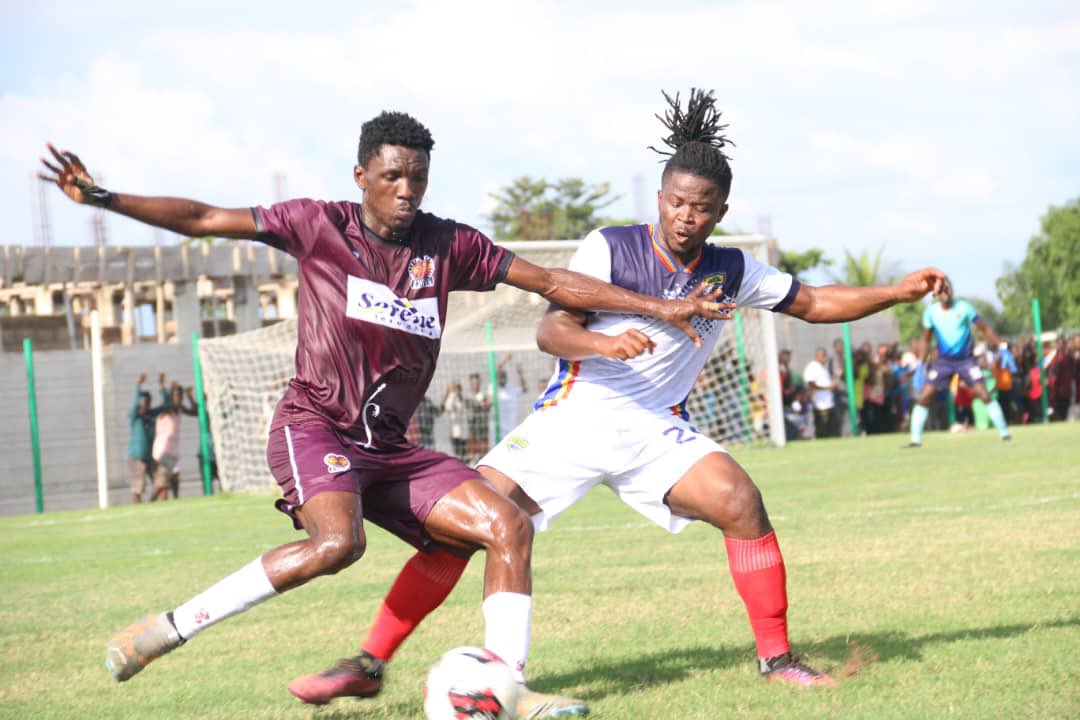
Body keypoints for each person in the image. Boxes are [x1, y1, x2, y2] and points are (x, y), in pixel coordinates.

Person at [39, 111, 729, 716]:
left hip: (393, 446)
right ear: (362, 174)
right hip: (316, 426)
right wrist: (102, 197)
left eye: (418, 179)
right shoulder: (316, 223)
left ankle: (504, 688)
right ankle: (167, 628)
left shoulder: (448, 245)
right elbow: (202, 220)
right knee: (338, 545)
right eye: (394, 176)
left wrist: (657, 306)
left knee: (507, 524)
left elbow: (549, 281)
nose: (407, 192)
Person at [346, 89, 947, 697]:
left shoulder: (732, 271)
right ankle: (368, 663)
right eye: (678, 202)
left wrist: (896, 292)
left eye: (701, 207)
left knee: (740, 500)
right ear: (660, 198)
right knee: (465, 526)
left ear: (720, 211)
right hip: (571, 422)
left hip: (656, 428)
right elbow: (554, 330)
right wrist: (604, 346)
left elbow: (814, 302)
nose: (686, 215)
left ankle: (778, 660)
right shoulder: (611, 247)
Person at [907, 278, 1011, 446]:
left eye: (948, 288)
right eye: (942, 289)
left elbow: (985, 328)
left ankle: (1005, 433)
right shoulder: (931, 312)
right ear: (937, 293)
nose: (946, 292)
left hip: (966, 360)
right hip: (943, 362)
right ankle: (915, 440)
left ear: (952, 291)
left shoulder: (964, 308)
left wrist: (1001, 346)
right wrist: (920, 363)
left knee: (984, 394)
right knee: (924, 396)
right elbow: (925, 340)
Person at [152, 375, 199, 500]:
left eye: (180, 395)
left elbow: (195, 412)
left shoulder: (179, 409)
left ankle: (153, 501)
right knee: (172, 475)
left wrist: (190, 396)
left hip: (172, 452)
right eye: (176, 395)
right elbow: (167, 403)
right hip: (162, 451)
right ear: (171, 396)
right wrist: (163, 385)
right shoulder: (166, 409)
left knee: (162, 487)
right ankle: (176, 498)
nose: (178, 398)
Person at [128, 373, 170, 503]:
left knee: (161, 481)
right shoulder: (135, 416)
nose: (145, 405)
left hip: (151, 456)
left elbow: (167, 406)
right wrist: (138, 386)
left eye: (148, 402)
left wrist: (162, 386)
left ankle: (152, 503)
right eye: (143, 402)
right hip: (137, 457)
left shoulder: (151, 414)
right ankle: (138, 509)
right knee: (138, 487)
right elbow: (135, 406)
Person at [802, 347, 837, 438]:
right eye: (823, 356)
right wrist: (827, 387)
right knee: (822, 428)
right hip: (820, 403)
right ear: (817, 356)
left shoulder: (822, 367)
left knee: (829, 428)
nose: (825, 359)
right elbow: (811, 384)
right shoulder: (813, 366)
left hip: (827, 402)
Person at [442, 381, 468, 458]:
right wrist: (451, 395)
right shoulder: (448, 399)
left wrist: (456, 395)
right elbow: (448, 407)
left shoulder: (460, 399)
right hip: (452, 430)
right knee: (455, 452)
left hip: (461, 431)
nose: (453, 390)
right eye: (451, 388)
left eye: (454, 388)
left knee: (463, 452)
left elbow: (461, 408)